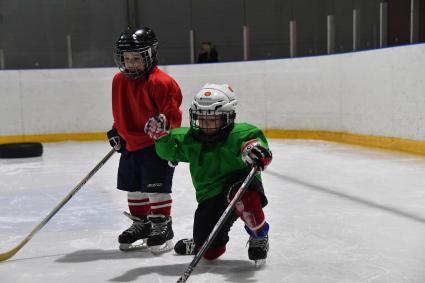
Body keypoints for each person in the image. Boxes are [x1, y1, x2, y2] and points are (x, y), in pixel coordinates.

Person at [144, 83, 272, 265]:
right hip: (210, 196)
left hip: (239, 185)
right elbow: (169, 151)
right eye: (200, 119)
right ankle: (199, 244)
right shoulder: (189, 138)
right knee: (211, 253)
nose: (205, 125)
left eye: (212, 119)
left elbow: (253, 141)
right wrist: (161, 138)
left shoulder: (241, 133)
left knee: (244, 198)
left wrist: (256, 150)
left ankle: (259, 235)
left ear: (228, 117)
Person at [107, 27, 183, 254]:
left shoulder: (161, 82)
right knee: (134, 187)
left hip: (156, 146)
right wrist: (116, 130)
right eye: (126, 58)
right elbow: (121, 111)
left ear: (150, 55)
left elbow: (172, 114)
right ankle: (142, 224)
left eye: (137, 58)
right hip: (131, 145)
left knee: (156, 188)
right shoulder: (119, 80)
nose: (130, 63)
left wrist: (163, 122)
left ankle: (162, 226)